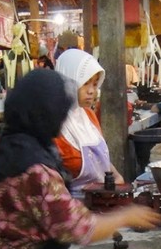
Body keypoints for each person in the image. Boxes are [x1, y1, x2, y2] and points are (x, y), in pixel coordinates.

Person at [0, 70, 161, 249]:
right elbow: (78, 229)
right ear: (45, 115)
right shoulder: (36, 171)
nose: (62, 121)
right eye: (59, 114)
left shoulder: (2, 149)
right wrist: (126, 216)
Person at [53, 48, 126, 198]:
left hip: (104, 202)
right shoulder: (54, 125)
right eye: (85, 83)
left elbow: (101, 161)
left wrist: (116, 178)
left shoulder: (88, 116)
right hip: (73, 209)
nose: (92, 91)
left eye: (94, 84)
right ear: (68, 79)